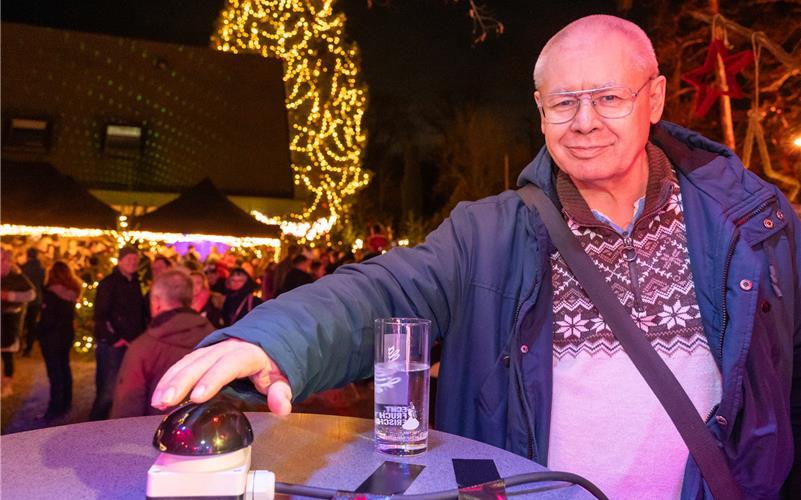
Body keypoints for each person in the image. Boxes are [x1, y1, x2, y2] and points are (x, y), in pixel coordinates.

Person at [151, 15, 800, 498]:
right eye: (563, 103)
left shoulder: (752, 224)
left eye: (608, 97)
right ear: (539, 112)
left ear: (653, 99)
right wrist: (273, 339)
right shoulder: (488, 234)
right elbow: (385, 289)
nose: (584, 122)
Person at [110, 270, 215, 418]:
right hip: (206, 426)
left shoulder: (143, 347)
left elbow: (128, 407)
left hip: (158, 429)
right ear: (190, 299)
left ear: (157, 301)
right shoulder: (214, 338)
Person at [89, 245, 146, 420]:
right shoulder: (109, 283)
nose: (133, 263)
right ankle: (95, 424)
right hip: (113, 345)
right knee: (107, 389)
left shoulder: (135, 283)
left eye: (135, 260)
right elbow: (100, 315)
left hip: (131, 344)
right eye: (129, 259)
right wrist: (115, 339)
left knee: (125, 388)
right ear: (120, 261)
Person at [37, 261, 82, 420]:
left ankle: (54, 408)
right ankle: (65, 403)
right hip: (66, 335)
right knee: (64, 368)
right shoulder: (71, 293)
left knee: (55, 373)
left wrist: (39, 331)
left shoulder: (51, 294)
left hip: (52, 338)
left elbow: (47, 320)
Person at [1, 249, 36, 397]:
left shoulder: (16, 275)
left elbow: (31, 294)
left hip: (8, 321)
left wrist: (9, 296)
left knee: (6, 354)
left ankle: (7, 385)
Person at [20, 247, 46, 357]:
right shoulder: (41, 269)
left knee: (21, 323)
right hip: (36, 299)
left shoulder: (23, 268)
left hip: (24, 298)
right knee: (32, 324)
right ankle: (28, 348)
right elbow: (43, 284)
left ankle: (19, 345)